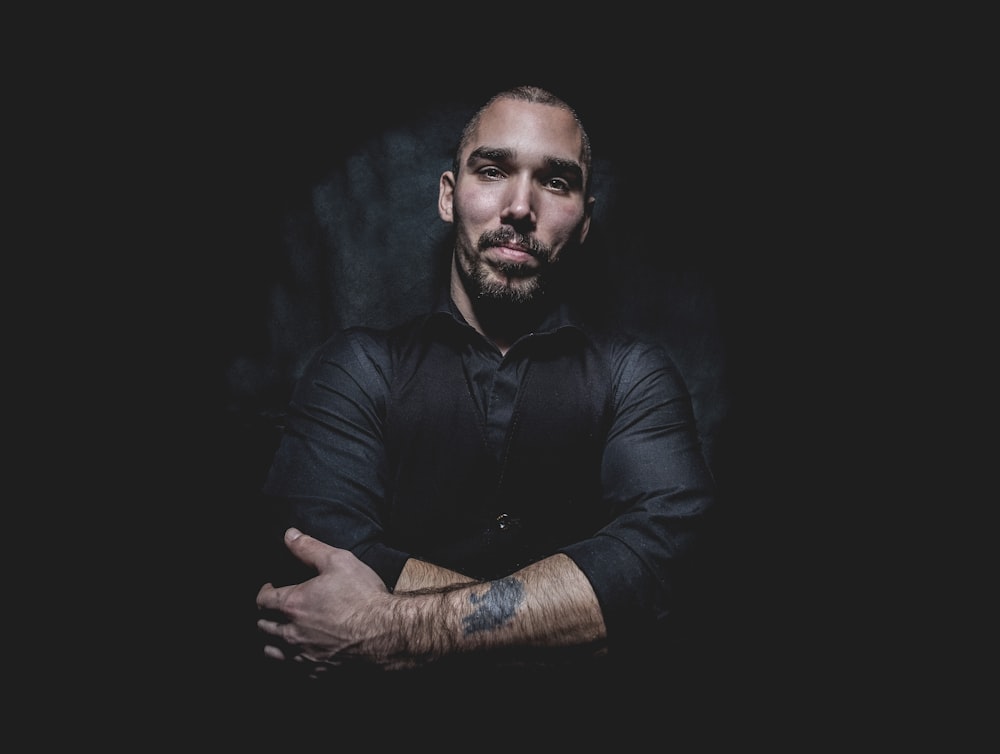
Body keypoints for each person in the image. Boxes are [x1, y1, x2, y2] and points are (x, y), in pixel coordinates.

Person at [255, 84, 717, 679]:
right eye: (494, 170)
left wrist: (390, 628)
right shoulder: (356, 369)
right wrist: (578, 623)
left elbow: (665, 563)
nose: (521, 206)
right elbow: (324, 558)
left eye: (555, 182)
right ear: (450, 197)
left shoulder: (635, 377)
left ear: (584, 222)